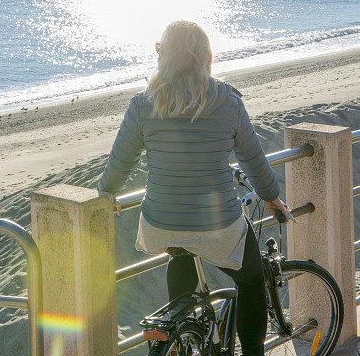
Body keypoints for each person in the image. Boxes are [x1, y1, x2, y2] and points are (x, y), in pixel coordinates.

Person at [97, 20, 291, 356]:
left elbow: (119, 164)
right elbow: (253, 161)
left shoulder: (143, 104)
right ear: (206, 57)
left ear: (163, 56)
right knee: (249, 280)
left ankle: (183, 336)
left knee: (181, 253)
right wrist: (272, 198)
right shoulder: (227, 100)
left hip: (160, 222)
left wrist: (107, 194)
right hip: (218, 227)